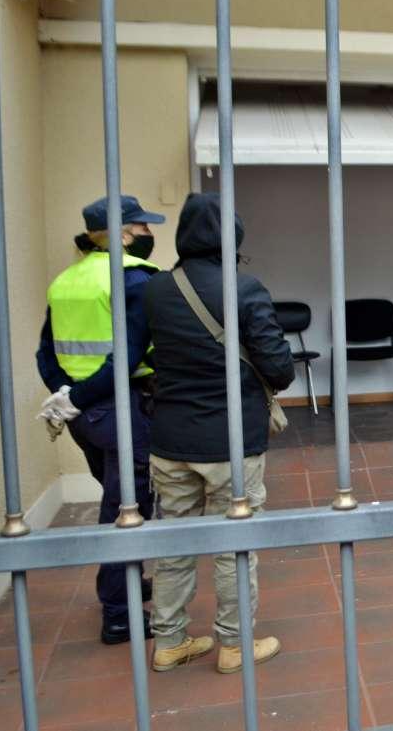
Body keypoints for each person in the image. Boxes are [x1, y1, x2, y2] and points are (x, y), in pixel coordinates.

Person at [143, 192, 294, 674]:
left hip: (170, 439)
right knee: (234, 547)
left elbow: (134, 357)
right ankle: (234, 644)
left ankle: (169, 642)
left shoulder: (153, 291)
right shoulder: (244, 289)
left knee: (174, 544)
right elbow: (280, 368)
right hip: (231, 441)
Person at [35, 195, 163, 645]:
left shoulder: (66, 281)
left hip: (84, 417)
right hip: (120, 410)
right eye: (143, 227)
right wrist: (81, 396)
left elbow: (45, 352)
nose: (149, 234)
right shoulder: (133, 279)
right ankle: (119, 613)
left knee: (118, 501)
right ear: (123, 234)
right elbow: (127, 357)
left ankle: (127, 584)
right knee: (126, 510)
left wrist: (67, 396)